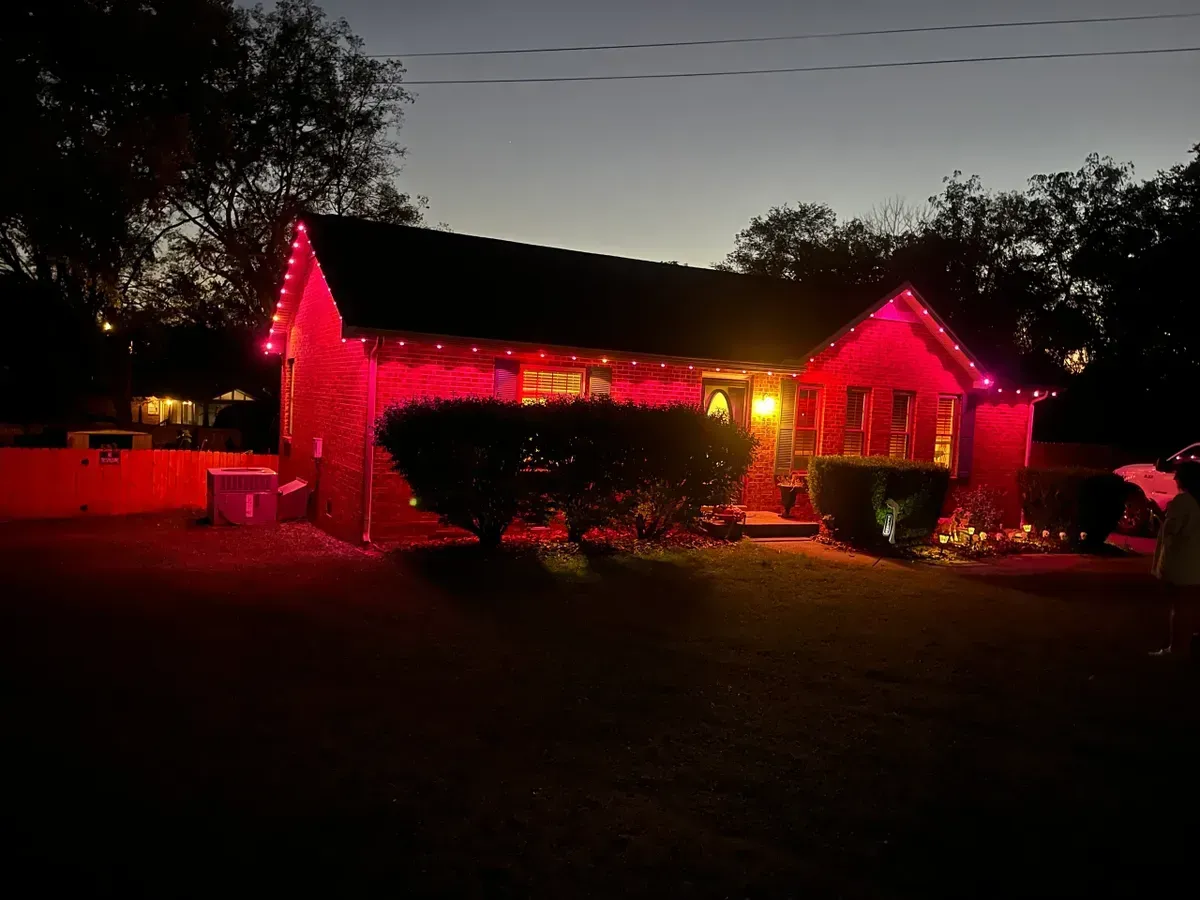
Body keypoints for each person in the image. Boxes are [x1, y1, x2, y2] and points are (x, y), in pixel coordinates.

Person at [1150, 461, 1200, 656]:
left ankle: (1177, 648)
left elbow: (1172, 530)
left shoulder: (1182, 502)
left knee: (1180, 607)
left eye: (1178, 475)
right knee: (1192, 605)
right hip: (1195, 562)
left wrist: (1158, 514)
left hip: (1183, 563)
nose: (1175, 478)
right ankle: (1189, 641)